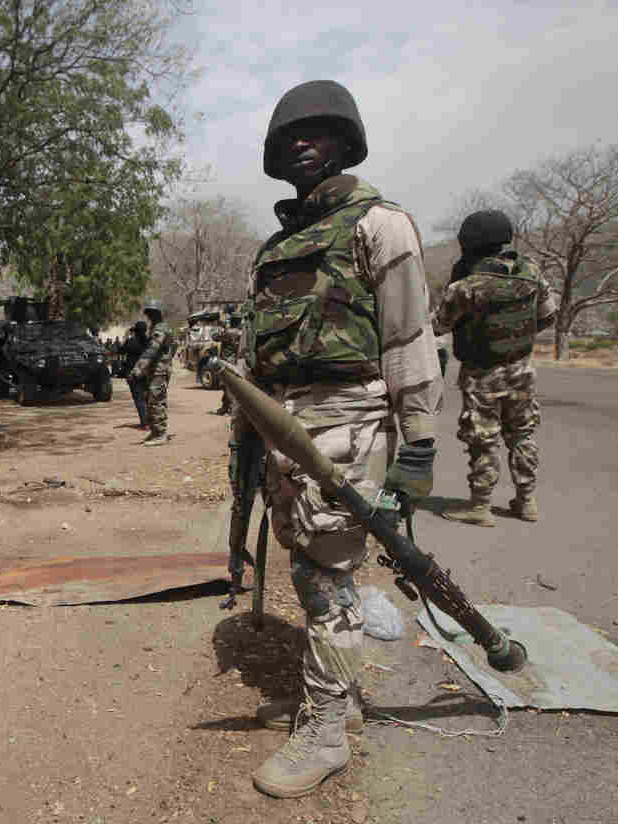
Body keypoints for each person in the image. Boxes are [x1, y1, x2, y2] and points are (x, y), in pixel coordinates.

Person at [235, 80, 443, 799]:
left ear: (345, 140)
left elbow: (411, 339)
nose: (302, 142)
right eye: (290, 134)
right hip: (285, 426)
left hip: (350, 421)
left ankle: (326, 729)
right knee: (307, 568)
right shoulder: (275, 248)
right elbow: (255, 359)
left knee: (328, 582)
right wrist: (247, 443)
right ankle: (334, 693)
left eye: (318, 130)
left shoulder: (380, 225)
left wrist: (417, 447)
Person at [432, 209, 558, 526]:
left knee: (483, 440)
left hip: (481, 374)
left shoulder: (467, 286)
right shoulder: (532, 273)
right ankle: (526, 502)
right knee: (522, 435)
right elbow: (547, 316)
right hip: (522, 370)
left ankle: (480, 507)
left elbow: (437, 325)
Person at [129, 300, 175, 445]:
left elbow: (151, 350)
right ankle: (155, 431)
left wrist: (137, 370)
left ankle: (160, 434)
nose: (149, 317)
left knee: (156, 400)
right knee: (152, 399)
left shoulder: (160, 329)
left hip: (159, 370)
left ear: (157, 313)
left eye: (151, 313)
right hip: (157, 369)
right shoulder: (160, 328)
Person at [211, 314, 242, 415]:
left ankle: (231, 408)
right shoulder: (241, 332)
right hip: (235, 362)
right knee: (228, 386)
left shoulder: (229, 332)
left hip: (226, 362)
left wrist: (222, 327)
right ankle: (225, 407)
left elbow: (214, 337)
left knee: (228, 386)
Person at [120, 321, 149, 428]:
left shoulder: (131, 341)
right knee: (147, 398)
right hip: (146, 372)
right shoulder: (149, 342)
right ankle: (151, 421)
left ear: (135, 331)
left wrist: (126, 337)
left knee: (139, 399)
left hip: (133, 374)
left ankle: (144, 422)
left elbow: (120, 350)